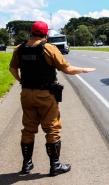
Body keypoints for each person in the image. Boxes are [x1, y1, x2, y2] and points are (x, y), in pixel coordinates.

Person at [9, 21, 95, 176]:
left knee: (28, 129)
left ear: (31, 32)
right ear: (45, 34)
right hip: (45, 95)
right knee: (52, 128)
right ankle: (55, 166)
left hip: (26, 94)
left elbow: (12, 68)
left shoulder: (19, 49)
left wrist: (21, 80)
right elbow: (67, 69)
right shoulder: (49, 48)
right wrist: (83, 69)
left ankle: (26, 165)